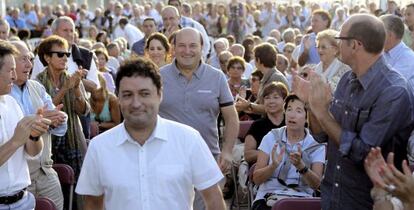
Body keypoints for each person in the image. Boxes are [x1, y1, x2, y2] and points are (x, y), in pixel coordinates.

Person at [293, 14, 414, 210]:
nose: (337, 44)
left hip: (367, 201)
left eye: (340, 39)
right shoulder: (347, 79)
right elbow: (322, 134)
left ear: (356, 45)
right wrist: (311, 105)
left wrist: (322, 112)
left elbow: (362, 152)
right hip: (334, 194)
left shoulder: (393, 90)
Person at [76, 57, 226, 210]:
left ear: (160, 94)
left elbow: (214, 199)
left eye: (144, 94)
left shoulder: (188, 140)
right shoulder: (99, 147)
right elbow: (92, 204)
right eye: (127, 95)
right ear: (118, 98)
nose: (136, 103)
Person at [159, 28, 239, 210]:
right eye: (182, 45)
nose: (187, 51)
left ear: (202, 47)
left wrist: (226, 151)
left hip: (207, 159)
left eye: (193, 45)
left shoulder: (216, 77)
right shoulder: (159, 76)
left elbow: (231, 118)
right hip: (166, 159)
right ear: (173, 48)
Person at [9, 41, 67, 210]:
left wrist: (58, 118)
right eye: (23, 59)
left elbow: (60, 127)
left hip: (45, 171)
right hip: (19, 176)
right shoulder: (4, 92)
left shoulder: (37, 87)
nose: (29, 64)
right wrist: (37, 120)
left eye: (30, 58)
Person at [252, 94, 325, 210]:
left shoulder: (316, 145)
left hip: (303, 199)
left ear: (307, 117)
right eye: (289, 109)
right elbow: (256, 179)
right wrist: (273, 166)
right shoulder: (271, 137)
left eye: (299, 111)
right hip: (269, 197)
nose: (292, 115)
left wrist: (302, 167)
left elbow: (317, 185)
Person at [0, 41, 50, 210]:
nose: (14, 77)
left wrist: (35, 135)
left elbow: (32, 152)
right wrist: (15, 141)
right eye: (10, 70)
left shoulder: (12, 103)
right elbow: (16, 142)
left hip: (24, 201)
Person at [36, 35, 90, 181]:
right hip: (48, 143)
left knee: (75, 185)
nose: (65, 58)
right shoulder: (37, 82)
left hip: (72, 140)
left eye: (67, 54)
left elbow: (83, 111)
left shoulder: (72, 78)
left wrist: (77, 88)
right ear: (47, 58)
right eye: (60, 54)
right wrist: (65, 89)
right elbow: (43, 113)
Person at [244, 82, 288, 165]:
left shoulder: (291, 122)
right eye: (267, 98)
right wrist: (270, 153)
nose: (271, 101)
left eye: (276, 97)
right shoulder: (257, 126)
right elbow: (248, 155)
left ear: (284, 101)